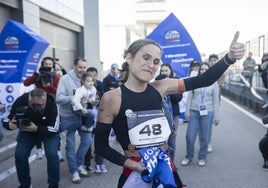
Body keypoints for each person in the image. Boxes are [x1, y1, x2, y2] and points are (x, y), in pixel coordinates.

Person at [94, 32, 245, 188]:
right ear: (129, 58)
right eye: (146, 58)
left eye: (156, 61)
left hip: (165, 170)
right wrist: (133, 165)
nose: (151, 65)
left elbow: (203, 80)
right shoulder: (112, 98)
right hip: (135, 174)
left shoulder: (161, 87)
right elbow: (101, 146)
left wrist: (229, 58)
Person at [3, 88, 60, 188]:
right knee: (20, 155)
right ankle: (25, 184)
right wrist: (9, 124)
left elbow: (55, 129)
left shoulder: (51, 103)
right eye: (35, 105)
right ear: (28, 100)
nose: (38, 108)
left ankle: (54, 184)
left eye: (42, 105)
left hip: (47, 130)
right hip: (27, 130)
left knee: (52, 154)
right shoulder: (21, 100)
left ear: (46, 100)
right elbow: (8, 117)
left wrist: (37, 128)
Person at [56, 57, 91, 184]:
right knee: (70, 146)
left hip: (82, 116)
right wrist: (74, 98)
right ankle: (74, 171)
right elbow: (58, 98)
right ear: (74, 66)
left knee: (87, 141)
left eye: (84, 67)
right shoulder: (65, 79)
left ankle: (78, 164)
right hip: (68, 116)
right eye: (80, 67)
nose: (82, 70)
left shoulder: (86, 78)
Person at [181, 62, 220, 167]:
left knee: (205, 138)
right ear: (199, 70)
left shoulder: (214, 83)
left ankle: (202, 157)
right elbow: (189, 97)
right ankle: (188, 156)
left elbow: (216, 101)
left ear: (209, 70)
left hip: (208, 113)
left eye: (206, 69)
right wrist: (187, 112)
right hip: (194, 111)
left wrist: (217, 117)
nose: (203, 71)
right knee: (190, 136)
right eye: (202, 69)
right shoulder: (196, 81)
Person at [23, 56, 62, 160]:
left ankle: (57, 150)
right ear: (42, 65)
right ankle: (39, 148)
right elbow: (26, 83)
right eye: (46, 64)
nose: (48, 66)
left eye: (50, 64)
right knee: (38, 126)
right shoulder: (37, 76)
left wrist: (48, 85)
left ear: (53, 66)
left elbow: (58, 92)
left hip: (51, 105)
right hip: (38, 105)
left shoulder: (56, 77)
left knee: (54, 128)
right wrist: (36, 75)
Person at [159, 63, 183, 161]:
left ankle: (171, 162)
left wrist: (168, 89)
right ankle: (163, 161)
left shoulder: (176, 81)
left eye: (166, 71)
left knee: (172, 139)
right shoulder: (157, 80)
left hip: (173, 115)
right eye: (162, 71)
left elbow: (178, 98)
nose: (164, 73)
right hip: (160, 116)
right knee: (162, 140)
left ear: (170, 71)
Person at [84, 91, 108, 173]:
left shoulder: (102, 107)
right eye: (94, 98)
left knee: (99, 145)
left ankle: (99, 163)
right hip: (89, 128)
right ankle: (87, 165)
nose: (96, 100)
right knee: (87, 146)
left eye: (98, 98)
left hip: (98, 128)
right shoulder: (86, 107)